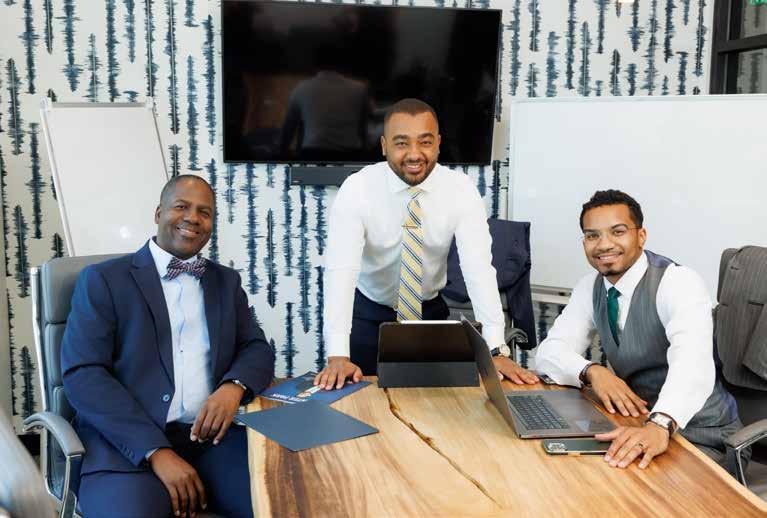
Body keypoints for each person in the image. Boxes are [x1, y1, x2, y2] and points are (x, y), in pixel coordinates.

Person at [61, 175, 275, 517]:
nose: (193, 218)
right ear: (159, 213)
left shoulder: (225, 281)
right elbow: (83, 374)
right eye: (181, 206)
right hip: (125, 446)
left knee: (281, 502)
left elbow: (256, 348)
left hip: (212, 440)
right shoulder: (103, 280)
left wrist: (232, 388)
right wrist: (155, 450)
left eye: (204, 212)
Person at [315, 98, 538, 389]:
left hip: (430, 315)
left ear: (438, 144)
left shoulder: (460, 189)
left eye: (425, 142)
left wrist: (495, 348)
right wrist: (337, 355)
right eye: (401, 143)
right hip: (368, 315)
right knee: (361, 404)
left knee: (436, 404)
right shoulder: (357, 189)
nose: (414, 154)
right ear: (384, 146)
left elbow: (479, 269)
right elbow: (341, 271)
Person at [535, 190, 742, 472]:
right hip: (635, 424)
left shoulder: (678, 282)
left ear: (641, 236)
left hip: (704, 437)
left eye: (618, 232)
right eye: (592, 235)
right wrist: (592, 371)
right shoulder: (589, 287)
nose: (604, 244)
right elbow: (549, 353)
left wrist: (660, 424)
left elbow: (692, 365)